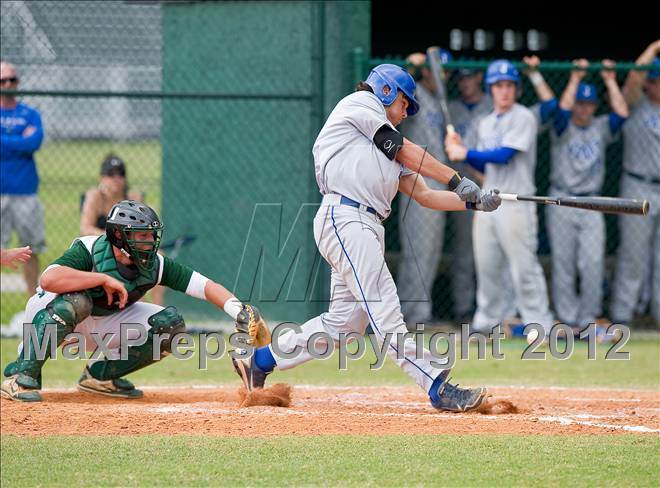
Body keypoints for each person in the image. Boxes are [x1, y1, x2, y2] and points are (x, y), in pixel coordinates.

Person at [231, 64, 501, 413]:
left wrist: (474, 203)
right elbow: (406, 151)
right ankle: (437, 386)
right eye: (405, 103)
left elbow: (425, 196)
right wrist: (455, 178)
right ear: (386, 91)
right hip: (346, 218)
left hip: (364, 225)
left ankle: (261, 361)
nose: (406, 112)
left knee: (344, 326)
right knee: (385, 310)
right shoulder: (360, 105)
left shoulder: (384, 142)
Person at [1, 200, 264, 402]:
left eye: (151, 236)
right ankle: (21, 376)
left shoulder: (154, 264)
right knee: (78, 301)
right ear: (118, 237)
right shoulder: (90, 248)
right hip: (49, 318)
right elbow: (49, 279)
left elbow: (204, 286)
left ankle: (99, 377)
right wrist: (101, 279)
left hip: (100, 325)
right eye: (141, 236)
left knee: (169, 326)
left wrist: (239, 310)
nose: (149, 242)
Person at [445, 60, 554, 339]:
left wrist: (465, 153)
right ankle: (486, 324)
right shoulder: (484, 123)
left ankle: (539, 324)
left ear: (516, 89)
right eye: (498, 86)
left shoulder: (524, 117)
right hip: (488, 201)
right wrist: (458, 147)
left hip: (516, 203)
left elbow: (505, 155)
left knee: (523, 267)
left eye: (508, 86)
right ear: (491, 89)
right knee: (487, 265)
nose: (504, 91)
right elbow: (482, 168)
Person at [548, 59, 628, 329]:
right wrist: (574, 79)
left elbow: (622, 114)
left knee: (593, 262)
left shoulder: (601, 126)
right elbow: (561, 111)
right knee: (564, 264)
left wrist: (609, 80)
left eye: (589, 104)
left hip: (592, 200)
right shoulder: (563, 125)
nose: (584, 109)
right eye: (580, 104)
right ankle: (568, 320)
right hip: (562, 198)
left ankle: (588, 318)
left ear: (595, 106)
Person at [396, 51, 451, 327]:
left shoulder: (442, 103)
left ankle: (418, 314)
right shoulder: (414, 100)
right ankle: (409, 314)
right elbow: (396, 92)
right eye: (432, 71)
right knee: (416, 252)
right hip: (414, 180)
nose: (438, 75)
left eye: (442, 71)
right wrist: (411, 68)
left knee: (430, 252)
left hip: (436, 182)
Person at [611, 40, 660, 325]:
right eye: (653, 80)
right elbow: (633, 78)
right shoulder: (635, 104)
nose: (656, 85)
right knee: (633, 257)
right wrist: (653, 49)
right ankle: (622, 317)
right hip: (638, 184)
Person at [80, 154, 164, 305]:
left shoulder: (132, 197)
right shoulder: (95, 196)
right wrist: (114, 237)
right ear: (102, 177)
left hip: (130, 248)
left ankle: (158, 309)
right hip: (102, 247)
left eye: (120, 174)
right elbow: (85, 228)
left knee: (159, 258)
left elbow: (145, 228)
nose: (116, 179)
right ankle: (138, 306)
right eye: (111, 174)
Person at [447, 66, 493, 322]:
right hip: (461, 187)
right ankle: (463, 307)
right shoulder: (451, 108)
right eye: (461, 78)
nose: (465, 82)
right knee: (464, 250)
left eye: (469, 76)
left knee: (494, 252)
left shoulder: (492, 105)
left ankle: (494, 311)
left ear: (479, 77)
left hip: (490, 184)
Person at [0, 61, 45, 296]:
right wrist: (20, 141)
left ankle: (32, 301)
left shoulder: (30, 113)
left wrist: (5, 142)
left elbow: (34, 142)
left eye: (12, 80)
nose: (8, 84)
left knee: (30, 249)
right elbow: (25, 143)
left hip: (26, 191)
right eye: (3, 80)